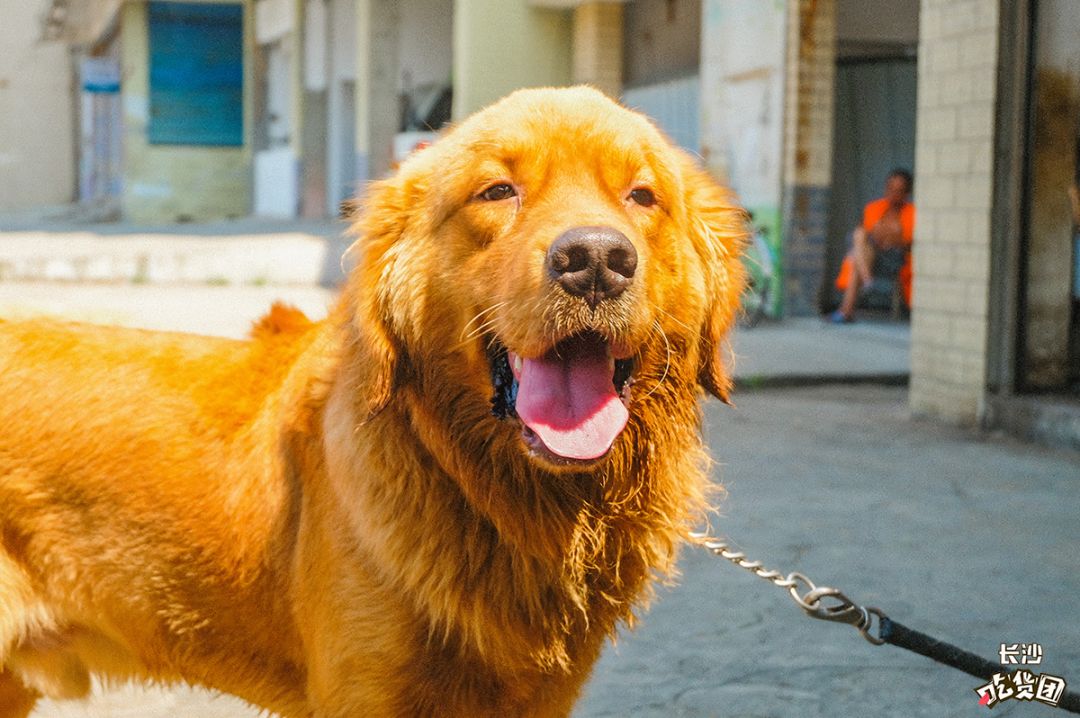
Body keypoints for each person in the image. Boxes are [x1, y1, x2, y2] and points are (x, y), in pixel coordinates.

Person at [829, 169, 916, 323]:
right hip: (871, 256)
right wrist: (889, 234)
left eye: (899, 191)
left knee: (857, 254)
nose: (893, 194)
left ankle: (848, 309)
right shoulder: (874, 208)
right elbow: (871, 235)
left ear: (906, 193)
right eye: (890, 189)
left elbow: (906, 242)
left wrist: (888, 236)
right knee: (859, 235)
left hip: (894, 259)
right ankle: (865, 283)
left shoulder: (912, 213)